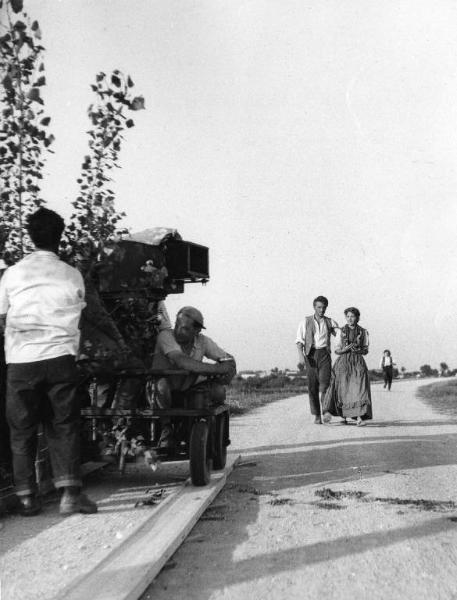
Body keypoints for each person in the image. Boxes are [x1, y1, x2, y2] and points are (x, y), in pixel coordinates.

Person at [0, 208, 97, 516]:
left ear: (30, 236)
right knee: (63, 426)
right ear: (60, 236)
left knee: (21, 429)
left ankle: (27, 498)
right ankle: (70, 496)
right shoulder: (72, 274)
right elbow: (81, 314)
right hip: (60, 360)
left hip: (21, 361)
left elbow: (2, 316)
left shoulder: (12, 274)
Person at [152, 306, 236, 447]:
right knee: (161, 386)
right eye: (177, 325)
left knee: (217, 392)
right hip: (163, 390)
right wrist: (218, 369)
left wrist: (228, 373)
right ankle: (166, 428)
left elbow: (228, 360)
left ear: (197, 331)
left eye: (184, 328)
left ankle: (201, 432)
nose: (178, 330)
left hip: (188, 387)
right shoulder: (165, 336)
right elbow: (182, 362)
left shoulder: (202, 341)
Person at [322, 307, 372, 426]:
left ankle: (359, 417)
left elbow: (366, 350)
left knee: (359, 389)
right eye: (348, 316)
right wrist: (345, 349)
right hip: (343, 361)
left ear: (357, 318)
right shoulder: (341, 331)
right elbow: (337, 350)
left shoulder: (363, 332)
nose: (350, 319)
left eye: (352, 316)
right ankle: (342, 416)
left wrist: (358, 350)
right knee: (342, 388)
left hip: (357, 362)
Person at [296, 296, 339, 424]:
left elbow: (340, 337)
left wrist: (340, 347)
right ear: (314, 307)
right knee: (312, 386)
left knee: (325, 384)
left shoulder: (330, 322)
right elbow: (299, 341)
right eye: (319, 307)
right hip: (310, 355)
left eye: (324, 307)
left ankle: (325, 411)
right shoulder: (305, 321)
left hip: (324, 355)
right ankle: (316, 415)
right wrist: (301, 357)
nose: (322, 310)